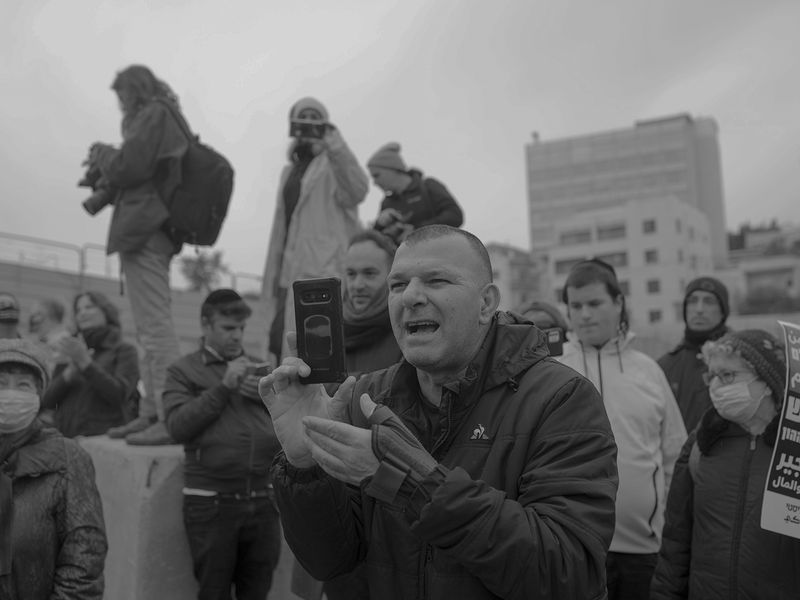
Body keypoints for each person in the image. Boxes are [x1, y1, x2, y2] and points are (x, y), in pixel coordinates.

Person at [260, 225, 619, 599]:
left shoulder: (561, 399)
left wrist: (411, 483)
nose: (411, 297)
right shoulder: (364, 396)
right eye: (397, 285)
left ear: (486, 303)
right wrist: (305, 466)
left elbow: (568, 573)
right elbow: (328, 562)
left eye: (436, 280)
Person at [557, 258, 687, 600]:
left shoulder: (649, 371)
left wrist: (663, 524)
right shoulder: (551, 372)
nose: (585, 314)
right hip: (571, 547)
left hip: (644, 550)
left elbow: (676, 455)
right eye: (576, 305)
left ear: (618, 303)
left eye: (595, 303)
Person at [651, 329, 800, 599]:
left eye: (728, 375)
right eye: (713, 376)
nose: (717, 387)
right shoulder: (700, 446)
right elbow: (675, 546)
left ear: (766, 382)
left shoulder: (793, 450)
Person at [87, 64, 187, 445]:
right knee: (147, 328)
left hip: (147, 229)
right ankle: (152, 412)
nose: (119, 106)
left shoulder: (155, 112)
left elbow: (131, 165)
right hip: (148, 230)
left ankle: (171, 416)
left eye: (121, 96)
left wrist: (104, 154)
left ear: (133, 90)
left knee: (156, 329)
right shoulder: (162, 113)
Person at [163, 289, 282, 600]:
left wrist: (269, 397)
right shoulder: (183, 369)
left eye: (241, 328)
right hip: (211, 502)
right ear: (205, 326)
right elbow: (176, 427)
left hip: (264, 499)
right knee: (213, 593)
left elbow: (285, 423)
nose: (237, 336)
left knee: (257, 592)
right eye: (228, 328)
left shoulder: (260, 369)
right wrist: (224, 387)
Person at [261, 97, 368, 365]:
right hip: (287, 273)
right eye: (302, 117)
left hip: (322, 269)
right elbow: (282, 227)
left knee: (317, 350)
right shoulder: (289, 172)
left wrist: (336, 145)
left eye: (314, 117)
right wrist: (274, 275)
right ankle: (290, 404)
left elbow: (357, 191)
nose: (308, 123)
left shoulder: (334, 165)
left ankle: (319, 405)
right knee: (281, 345)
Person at [0, 339, 107, 599]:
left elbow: (84, 560)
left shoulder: (68, 458)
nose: (9, 394)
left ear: (38, 396)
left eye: (23, 385)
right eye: (0, 384)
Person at [41, 291, 140, 438]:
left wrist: (85, 363)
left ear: (106, 312)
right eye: (78, 310)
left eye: (89, 307)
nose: (82, 313)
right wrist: (67, 376)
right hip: (66, 439)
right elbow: (47, 401)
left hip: (103, 441)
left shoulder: (124, 350)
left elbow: (120, 396)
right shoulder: (69, 349)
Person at [658, 277, 730, 432]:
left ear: (723, 311)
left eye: (709, 301)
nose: (699, 309)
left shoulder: (742, 359)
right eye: (692, 301)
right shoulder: (664, 366)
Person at [367, 142, 464, 244]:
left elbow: (455, 216)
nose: (374, 183)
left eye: (376, 175)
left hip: (440, 254)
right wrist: (379, 224)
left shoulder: (429, 186)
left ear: (394, 169)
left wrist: (416, 231)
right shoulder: (386, 203)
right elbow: (378, 243)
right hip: (403, 258)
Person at [342, 230, 403, 377]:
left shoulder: (407, 330)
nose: (357, 285)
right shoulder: (325, 330)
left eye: (369, 273)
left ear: (391, 276)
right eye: (351, 274)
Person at [28, 298, 71, 370]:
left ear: (53, 316)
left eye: (39, 314)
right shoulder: (44, 340)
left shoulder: (62, 341)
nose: (34, 319)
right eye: (34, 315)